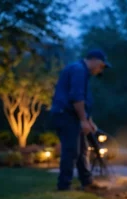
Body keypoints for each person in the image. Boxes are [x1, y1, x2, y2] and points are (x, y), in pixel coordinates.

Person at [50, 49, 111, 191]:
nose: (101, 70)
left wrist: (89, 120)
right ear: (95, 60)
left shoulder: (82, 71)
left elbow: (83, 100)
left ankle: (87, 182)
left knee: (83, 150)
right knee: (71, 150)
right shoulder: (78, 70)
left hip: (73, 116)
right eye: (102, 66)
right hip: (65, 115)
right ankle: (64, 186)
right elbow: (76, 98)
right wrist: (83, 120)